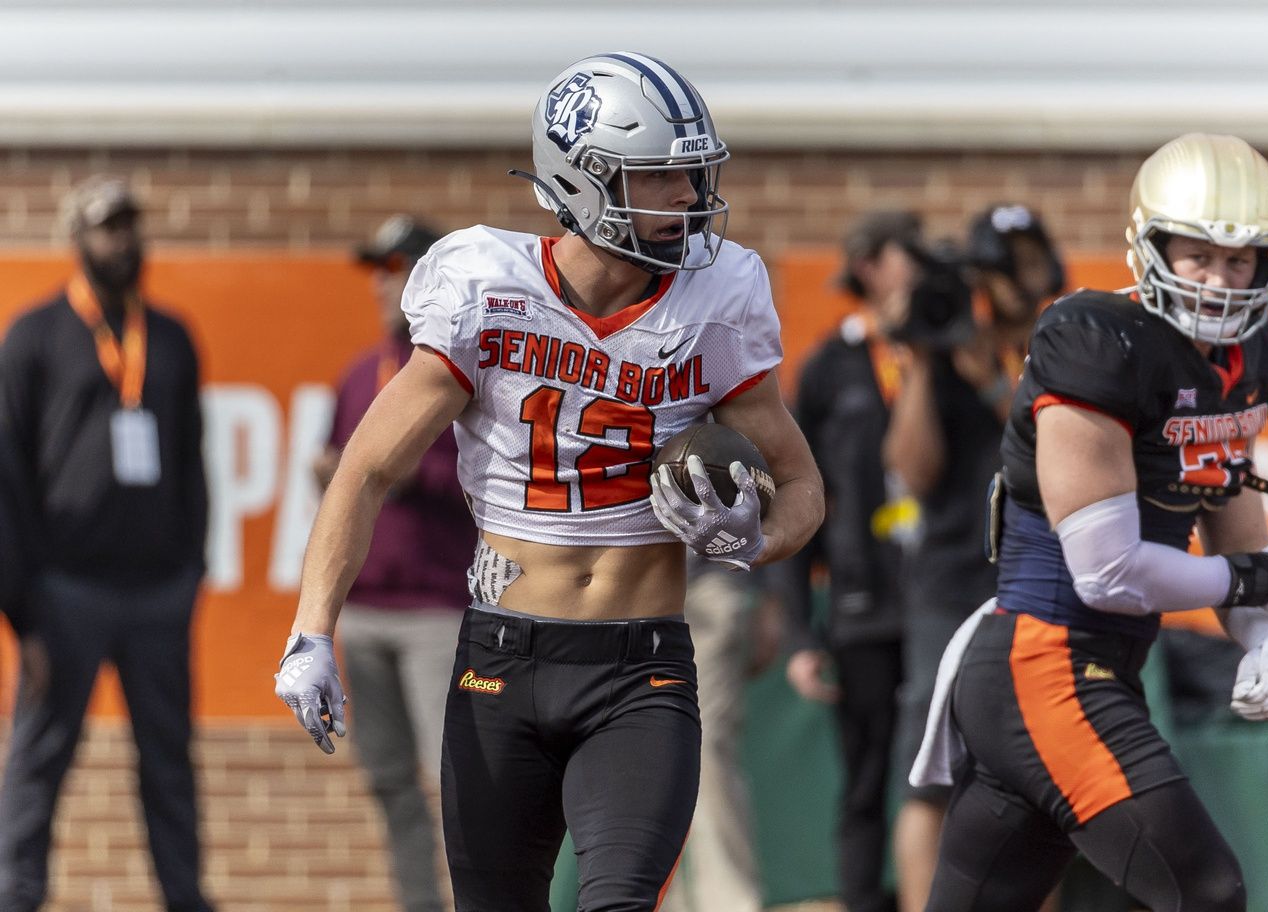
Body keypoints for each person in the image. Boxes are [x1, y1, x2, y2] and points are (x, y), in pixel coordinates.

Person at [274, 51, 824, 912]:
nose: (688, 197)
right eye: (661, 177)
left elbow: (801, 485)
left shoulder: (716, 298)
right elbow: (367, 468)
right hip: (504, 660)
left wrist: (757, 540)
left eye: (691, 173)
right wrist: (312, 631)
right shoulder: (486, 287)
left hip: (641, 667)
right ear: (585, 181)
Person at [914, 133, 1268, 912]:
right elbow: (1107, 571)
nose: (1220, 280)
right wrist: (1255, 579)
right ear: (1150, 242)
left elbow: (1234, 526)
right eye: (1198, 253)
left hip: (1092, 668)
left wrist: (1267, 634)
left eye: (1240, 261)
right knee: (1205, 890)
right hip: (1045, 665)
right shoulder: (1096, 340)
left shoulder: (1247, 357)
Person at [0, 175, 214, 912]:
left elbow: (191, 459)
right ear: (77, 240)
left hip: (158, 591)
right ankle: (16, 895)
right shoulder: (33, 338)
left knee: (168, 762)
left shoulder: (174, 338)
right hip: (65, 592)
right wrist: (22, 608)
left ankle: (185, 897)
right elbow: (7, 480)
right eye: (105, 228)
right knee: (39, 758)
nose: (122, 241)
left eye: (129, 226)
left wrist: (192, 566)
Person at [882, 204, 1065, 912]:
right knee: (927, 774)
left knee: (1033, 770)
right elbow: (911, 472)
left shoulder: (1056, 345)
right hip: (947, 578)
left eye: (1024, 262)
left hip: (1033, 576)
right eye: (1000, 267)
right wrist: (924, 365)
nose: (1013, 282)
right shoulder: (943, 343)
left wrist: (991, 378)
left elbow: (1058, 458)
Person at [311, 214, 475, 912]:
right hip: (368, 608)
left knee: (463, 782)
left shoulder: (461, 370)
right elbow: (346, 475)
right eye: (377, 272)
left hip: (438, 608)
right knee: (388, 780)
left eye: (396, 268)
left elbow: (495, 484)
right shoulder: (359, 373)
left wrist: (415, 475)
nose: (383, 286)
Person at [775, 210, 923, 912]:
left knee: (950, 778)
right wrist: (802, 633)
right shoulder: (831, 366)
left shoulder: (945, 353)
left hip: (941, 600)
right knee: (865, 780)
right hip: (863, 609)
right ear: (869, 266)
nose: (919, 268)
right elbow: (796, 499)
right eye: (906, 255)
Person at [657, 554, 771, 912]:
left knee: (705, 751)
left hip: (706, 586)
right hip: (624, 597)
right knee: (644, 762)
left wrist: (771, 599)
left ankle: (730, 904)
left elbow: (773, 505)